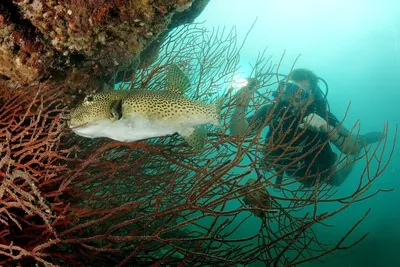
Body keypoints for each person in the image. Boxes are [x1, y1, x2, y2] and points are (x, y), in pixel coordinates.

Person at [230, 68, 382, 187]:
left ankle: (364, 140)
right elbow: (239, 134)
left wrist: (327, 129)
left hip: (315, 169)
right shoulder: (271, 111)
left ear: (310, 99)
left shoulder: (323, 116)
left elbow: (352, 148)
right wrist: (241, 104)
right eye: (286, 88)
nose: (288, 98)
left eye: (297, 93)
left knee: (337, 181)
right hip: (282, 164)